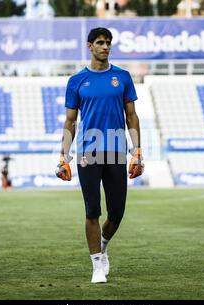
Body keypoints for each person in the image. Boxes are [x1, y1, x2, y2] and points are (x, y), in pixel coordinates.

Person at [56, 27, 144, 283]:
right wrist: (64, 155)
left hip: (117, 149)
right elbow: (70, 122)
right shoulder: (76, 81)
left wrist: (136, 151)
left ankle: (103, 244)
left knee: (116, 213)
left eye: (108, 43)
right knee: (92, 209)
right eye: (100, 43)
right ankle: (96, 265)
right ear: (90, 46)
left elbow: (131, 116)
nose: (105, 47)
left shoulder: (123, 77)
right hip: (88, 152)